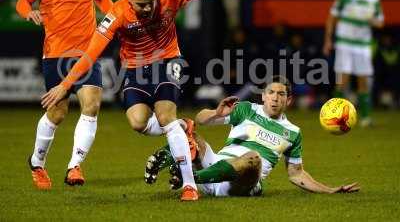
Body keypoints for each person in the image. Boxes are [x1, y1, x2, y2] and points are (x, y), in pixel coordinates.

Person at [40, 0, 270, 200]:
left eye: (150, 2)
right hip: (135, 69)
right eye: (141, 5)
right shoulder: (117, 13)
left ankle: (189, 186)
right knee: (138, 122)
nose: (147, 9)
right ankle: (183, 127)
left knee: (165, 116)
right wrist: (64, 85)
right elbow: (90, 54)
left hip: (167, 59)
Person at [144, 76, 360, 197]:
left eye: (281, 94)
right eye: (271, 93)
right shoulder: (245, 109)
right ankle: (164, 160)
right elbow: (200, 119)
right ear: (263, 96)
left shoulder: (293, 132)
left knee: (253, 157)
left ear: (289, 100)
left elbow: (296, 174)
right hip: (216, 165)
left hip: (241, 183)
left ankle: (189, 179)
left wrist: (331, 190)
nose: (275, 98)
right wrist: (216, 114)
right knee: (185, 127)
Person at [16, 0, 113, 190]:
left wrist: (116, 15)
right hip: (57, 53)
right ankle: (37, 161)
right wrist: (29, 12)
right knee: (58, 113)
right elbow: (22, 1)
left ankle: (74, 166)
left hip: (87, 52)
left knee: (92, 105)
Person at [323, 0, 384, 127]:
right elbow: (332, 18)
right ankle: (333, 117)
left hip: (363, 45)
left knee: (363, 81)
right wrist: (328, 40)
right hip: (345, 43)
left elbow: (380, 22)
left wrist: (373, 21)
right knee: (342, 81)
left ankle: (365, 119)